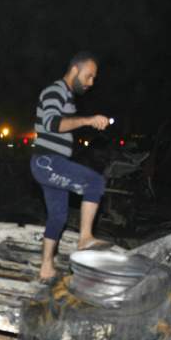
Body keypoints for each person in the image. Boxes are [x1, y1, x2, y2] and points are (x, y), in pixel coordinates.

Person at [31, 51, 112, 283]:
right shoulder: (55, 91)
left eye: (94, 79)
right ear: (75, 70)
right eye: (89, 76)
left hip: (50, 163)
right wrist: (87, 120)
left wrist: (87, 122)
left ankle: (46, 267)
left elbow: (60, 125)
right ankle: (85, 238)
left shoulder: (67, 97)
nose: (91, 83)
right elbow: (51, 123)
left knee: (58, 216)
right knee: (95, 182)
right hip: (47, 162)